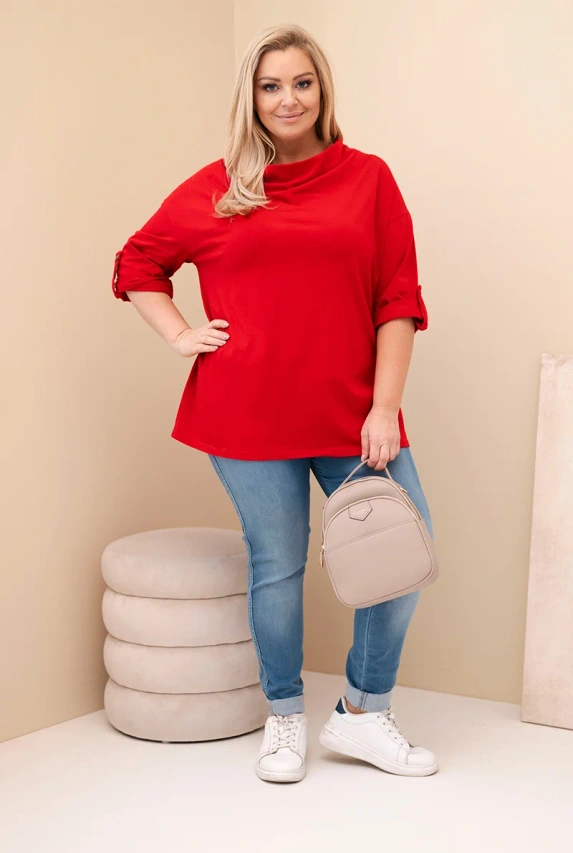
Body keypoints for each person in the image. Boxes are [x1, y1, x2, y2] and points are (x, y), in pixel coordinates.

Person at [111, 22, 438, 783]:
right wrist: (180, 333)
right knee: (277, 566)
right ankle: (285, 716)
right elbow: (138, 263)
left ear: (322, 90)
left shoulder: (368, 179)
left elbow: (397, 299)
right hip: (246, 413)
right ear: (251, 99)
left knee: (398, 560)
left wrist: (383, 407)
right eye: (270, 86)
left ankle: (362, 713)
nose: (287, 99)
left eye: (301, 82)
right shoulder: (217, 187)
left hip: (353, 411)